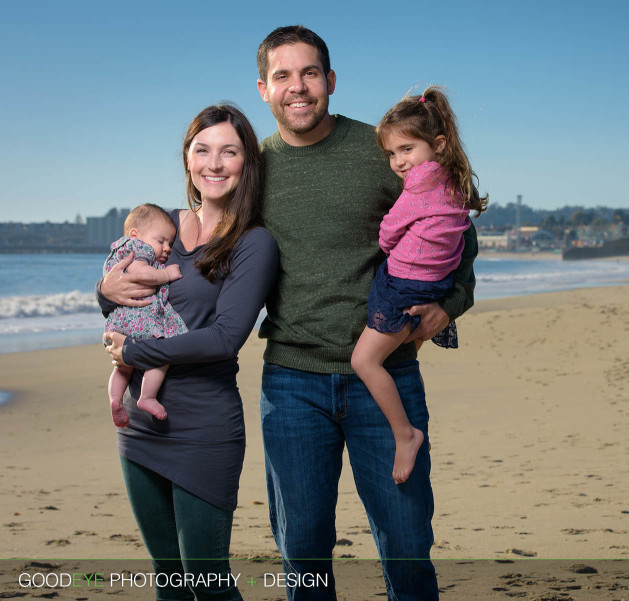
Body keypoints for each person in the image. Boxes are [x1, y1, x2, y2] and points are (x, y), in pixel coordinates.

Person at [255, 25, 477, 601]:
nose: (297, 87)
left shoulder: (382, 152)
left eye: (309, 74)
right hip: (292, 383)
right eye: (283, 76)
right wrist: (119, 293)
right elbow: (207, 249)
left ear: (330, 80)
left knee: (405, 545)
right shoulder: (253, 167)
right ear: (264, 89)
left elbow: (459, 237)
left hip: (388, 376)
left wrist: (447, 309)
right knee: (302, 551)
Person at [97, 104, 278, 601]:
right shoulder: (159, 231)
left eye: (229, 151)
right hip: (138, 425)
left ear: (247, 163)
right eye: (202, 149)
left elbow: (224, 337)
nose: (214, 164)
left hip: (203, 426)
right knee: (170, 581)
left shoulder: (253, 243)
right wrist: (102, 293)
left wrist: (136, 347)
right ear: (187, 158)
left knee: (207, 584)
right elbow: (119, 292)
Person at [350, 87, 488, 485]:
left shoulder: (421, 184)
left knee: (364, 361)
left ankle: (405, 434)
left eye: (406, 149)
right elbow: (459, 240)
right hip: (434, 283)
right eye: (392, 154)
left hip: (405, 283)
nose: (398, 162)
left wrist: (389, 241)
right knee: (406, 351)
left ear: (438, 144)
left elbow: (390, 230)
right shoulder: (454, 184)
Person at [104, 203, 186, 427]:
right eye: (161, 241)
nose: (167, 248)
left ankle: (115, 399)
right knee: (160, 357)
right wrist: (167, 273)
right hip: (141, 318)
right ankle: (147, 397)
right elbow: (142, 274)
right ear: (135, 234)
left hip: (118, 322)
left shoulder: (118, 250)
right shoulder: (138, 249)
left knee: (123, 367)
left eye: (170, 243)